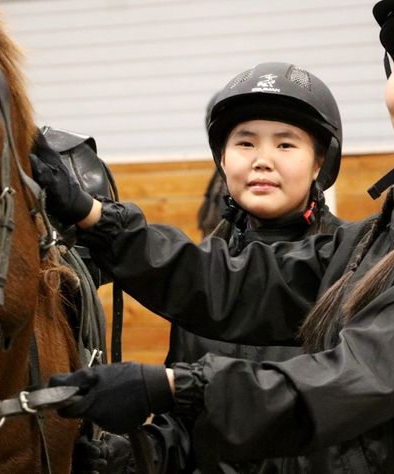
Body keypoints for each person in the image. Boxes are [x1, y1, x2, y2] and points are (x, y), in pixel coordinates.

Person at [33, 0, 394, 471]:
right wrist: (94, 218)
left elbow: (357, 378)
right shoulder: (388, 231)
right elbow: (243, 285)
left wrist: (174, 387)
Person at [69, 63, 346, 473]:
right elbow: (189, 426)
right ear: (222, 159)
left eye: (286, 145)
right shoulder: (202, 276)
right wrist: (139, 455)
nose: (262, 161)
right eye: (245, 143)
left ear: (319, 162)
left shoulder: (353, 266)